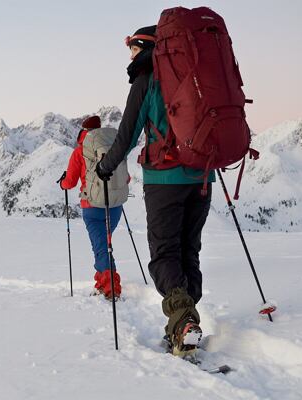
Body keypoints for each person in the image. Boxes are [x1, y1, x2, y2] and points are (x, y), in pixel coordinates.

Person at [95, 26, 214, 355]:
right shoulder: (195, 75)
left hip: (165, 179)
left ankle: (183, 322)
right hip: (202, 177)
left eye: (132, 48)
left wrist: (106, 167)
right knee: (189, 251)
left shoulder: (146, 78)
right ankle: (183, 322)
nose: (130, 55)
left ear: (144, 47)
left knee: (165, 253)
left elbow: (128, 134)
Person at [59, 116, 123, 300]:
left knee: (101, 247)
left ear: (83, 130)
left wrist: (62, 184)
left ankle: (111, 288)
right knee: (104, 245)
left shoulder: (80, 152)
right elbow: (124, 178)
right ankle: (104, 283)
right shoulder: (113, 146)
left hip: (92, 207)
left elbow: (69, 182)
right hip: (115, 205)